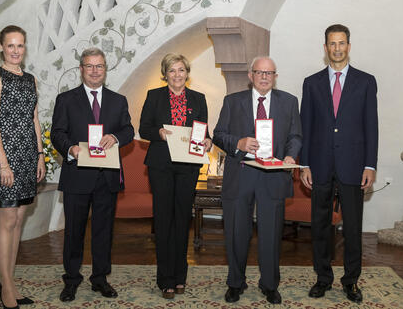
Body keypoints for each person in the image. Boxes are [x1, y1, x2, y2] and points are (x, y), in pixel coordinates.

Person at [213, 56, 302, 304]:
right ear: (250, 76)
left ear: (275, 77)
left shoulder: (289, 102)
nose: (264, 77)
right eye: (259, 72)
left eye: (269, 73)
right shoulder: (233, 101)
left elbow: (296, 135)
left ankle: (270, 284)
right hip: (240, 174)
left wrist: (290, 155)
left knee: (271, 234)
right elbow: (219, 134)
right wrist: (238, 143)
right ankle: (235, 283)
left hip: (273, 176)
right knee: (236, 232)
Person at [299, 24, 378, 303]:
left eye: (341, 43)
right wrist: (304, 164)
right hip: (319, 165)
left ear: (349, 45)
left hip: (354, 166)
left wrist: (370, 165)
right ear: (325, 48)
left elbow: (371, 126)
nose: (337, 48)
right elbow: (305, 128)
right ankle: (323, 278)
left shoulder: (366, 81)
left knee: (353, 227)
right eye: (332, 44)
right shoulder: (311, 83)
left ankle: (351, 281)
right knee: (319, 226)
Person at [51, 47, 134, 302]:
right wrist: (72, 148)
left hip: (106, 176)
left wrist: (116, 137)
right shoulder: (66, 100)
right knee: (73, 232)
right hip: (77, 174)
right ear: (81, 69)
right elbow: (57, 133)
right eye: (90, 66)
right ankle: (72, 280)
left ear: (105, 69)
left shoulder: (118, 100)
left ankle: (100, 279)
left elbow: (129, 130)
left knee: (103, 231)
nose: (95, 71)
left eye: (99, 66)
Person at [139, 53, 212, 299]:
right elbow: (143, 128)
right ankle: (165, 279)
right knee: (163, 221)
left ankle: (180, 277)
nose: (177, 75)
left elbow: (205, 132)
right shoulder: (154, 96)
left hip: (188, 167)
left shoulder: (198, 99)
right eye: (172, 70)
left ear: (187, 73)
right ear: (165, 74)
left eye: (181, 70)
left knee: (182, 220)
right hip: (161, 165)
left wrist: (208, 141)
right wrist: (159, 132)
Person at [0, 25, 46, 309]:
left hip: (27, 156)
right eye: (10, 45)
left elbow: (35, 119)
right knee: (7, 219)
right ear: (1, 47)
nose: (15, 50)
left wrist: (40, 154)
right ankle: (7, 287)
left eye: (20, 45)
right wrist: (3, 163)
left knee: (20, 220)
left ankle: (7, 280)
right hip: (5, 156)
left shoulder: (31, 80)